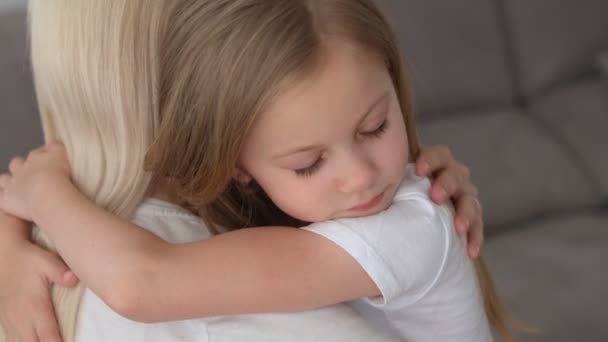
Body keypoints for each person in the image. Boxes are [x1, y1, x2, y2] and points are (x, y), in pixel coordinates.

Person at [0, 0, 493, 341]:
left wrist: (45, 195)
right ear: (240, 169)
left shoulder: (408, 230)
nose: (361, 176)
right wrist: (9, 238)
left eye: (376, 127)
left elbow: (141, 283)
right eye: (308, 164)